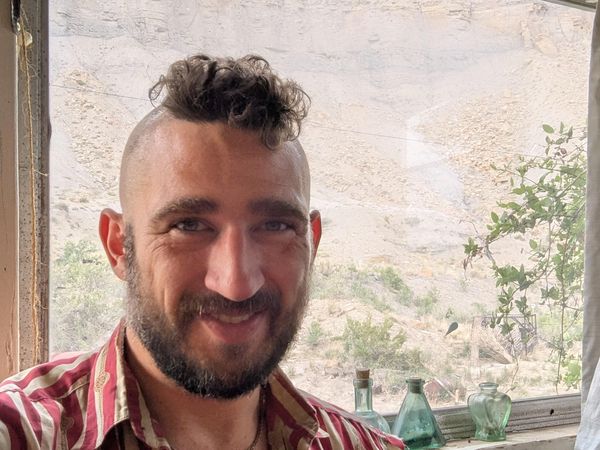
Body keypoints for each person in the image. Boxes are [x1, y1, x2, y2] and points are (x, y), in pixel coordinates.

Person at [0, 54, 405, 450]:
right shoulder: (26, 431)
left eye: (276, 226)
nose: (237, 283)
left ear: (311, 243)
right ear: (119, 245)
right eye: (189, 226)